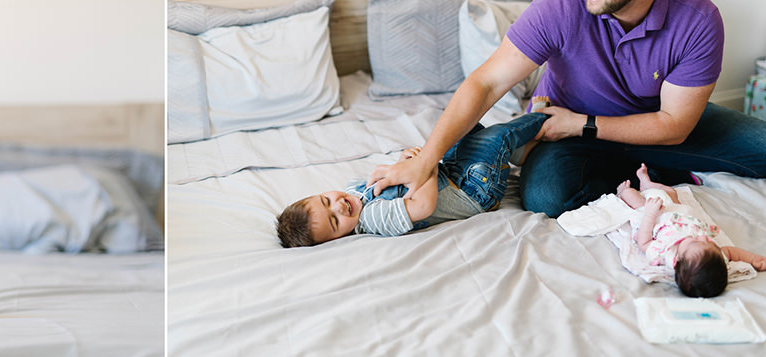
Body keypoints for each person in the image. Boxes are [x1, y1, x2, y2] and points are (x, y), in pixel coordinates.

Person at [368, 0, 766, 218]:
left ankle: (654, 170)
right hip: (564, 130)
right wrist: (427, 160)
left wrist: (582, 124)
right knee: (546, 198)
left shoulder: (698, 19)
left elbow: (674, 124)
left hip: (650, 124)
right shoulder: (560, 8)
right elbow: (485, 82)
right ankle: (649, 175)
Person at [276, 110, 548, 247]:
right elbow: (423, 205)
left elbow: (398, 180)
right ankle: (546, 118)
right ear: (337, 239)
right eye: (335, 221)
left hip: (450, 171)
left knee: (459, 123)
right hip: (473, 190)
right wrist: (423, 166)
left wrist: (404, 163)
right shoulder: (373, 219)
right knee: (493, 138)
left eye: (326, 200)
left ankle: (525, 151)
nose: (339, 206)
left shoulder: (353, 190)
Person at [615, 163, 766, 297]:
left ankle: (623, 193)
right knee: (671, 192)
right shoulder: (714, 255)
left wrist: (649, 213)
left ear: (677, 260)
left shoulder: (664, 253)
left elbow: (644, 242)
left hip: (655, 218)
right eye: (709, 243)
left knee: (635, 200)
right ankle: (646, 184)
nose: (705, 238)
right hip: (679, 213)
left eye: (696, 241)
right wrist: (753, 259)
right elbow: (732, 252)